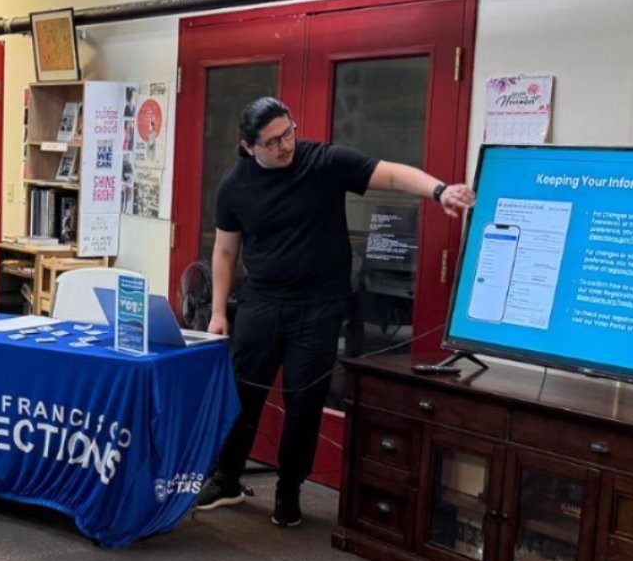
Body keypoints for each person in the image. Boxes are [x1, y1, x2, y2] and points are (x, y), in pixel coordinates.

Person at [197, 97, 475, 528]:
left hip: (318, 305)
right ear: (249, 146)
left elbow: (393, 174)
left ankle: (289, 493)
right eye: (273, 142)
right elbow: (225, 250)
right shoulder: (235, 185)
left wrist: (440, 190)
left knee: (304, 402)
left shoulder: (322, 162)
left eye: (289, 132)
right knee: (243, 394)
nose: (286, 145)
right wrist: (218, 311)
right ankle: (227, 479)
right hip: (262, 302)